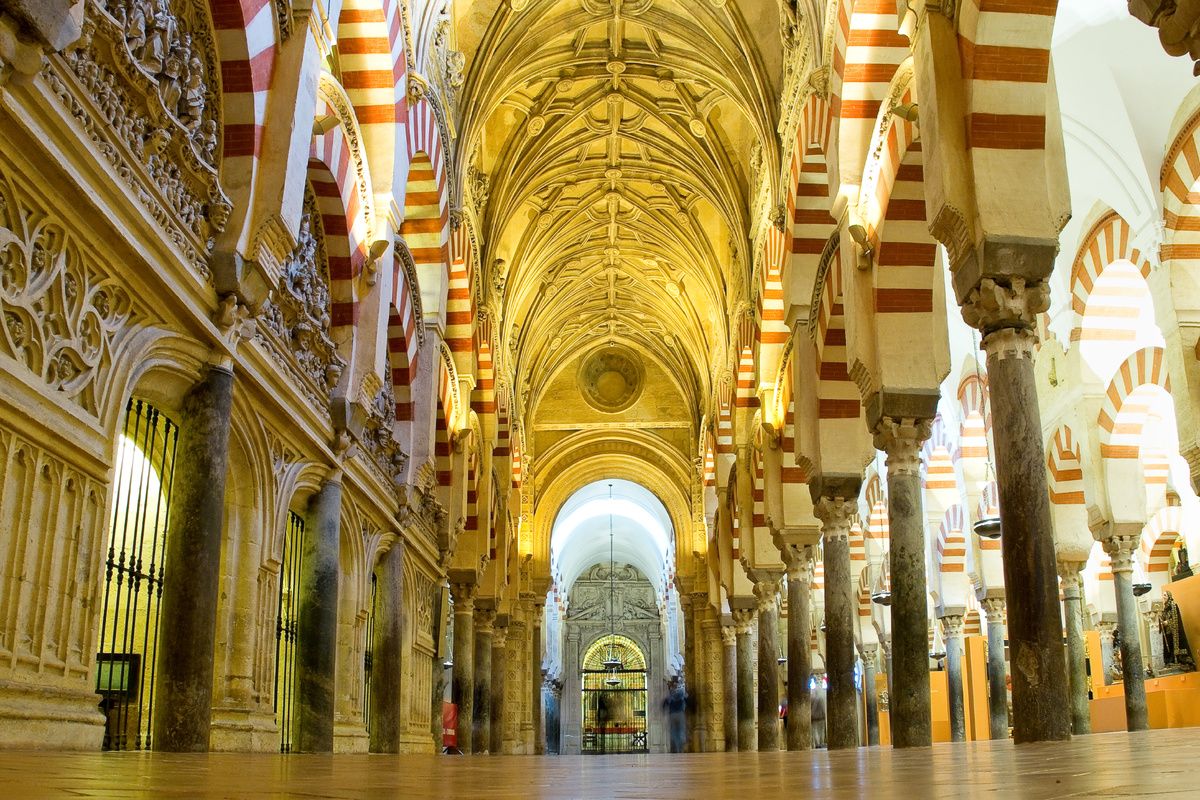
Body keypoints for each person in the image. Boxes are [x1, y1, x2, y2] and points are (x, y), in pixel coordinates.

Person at [663, 676, 688, 753]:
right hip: (680, 713)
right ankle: (681, 747)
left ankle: (676, 748)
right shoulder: (681, 691)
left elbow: (666, 702)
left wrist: (664, 709)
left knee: (674, 732)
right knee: (681, 730)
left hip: (672, 714)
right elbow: (686, 699)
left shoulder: (670, 693)